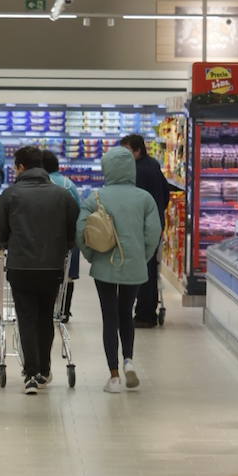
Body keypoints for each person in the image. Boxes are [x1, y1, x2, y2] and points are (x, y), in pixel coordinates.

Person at [0, 146, 79, 394]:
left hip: (20, 266)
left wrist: (12, 244)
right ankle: (44, 370)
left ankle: (30, 373)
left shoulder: (10, 195)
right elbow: (73, 231)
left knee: (26, 318)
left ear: (20, 167)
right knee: (45, 318)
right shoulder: (62, 196)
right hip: (52, 267)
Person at [76, 146, 161, 395]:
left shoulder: (96, 197)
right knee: (126, 312)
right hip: (134, 265)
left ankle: (113, 377)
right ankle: (129, 360)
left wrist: (92, 256)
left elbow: (81, 231)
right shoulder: (144, 198)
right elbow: (153, 233)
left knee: (109, 316)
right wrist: (141, 257)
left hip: (104, 265)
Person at [119, 134, 170, 328]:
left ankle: (145, 315)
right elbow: (165, 194)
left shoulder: (137, 172)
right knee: (149, 268)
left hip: (142, 227)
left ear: (137, 150)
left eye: (126, 150)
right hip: (155, 223)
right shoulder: (154, 165)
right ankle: (147, 311)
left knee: (143, 271)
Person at [39, 149, 80, 321]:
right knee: (67, 275)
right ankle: (64, 310)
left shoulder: (39, 184)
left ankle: (45, 310)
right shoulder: (68, 184)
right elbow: (78, 211)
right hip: (67, 238)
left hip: (42, 238)